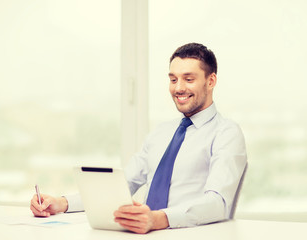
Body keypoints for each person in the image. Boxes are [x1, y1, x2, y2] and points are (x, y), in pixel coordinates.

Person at [30, 43, 247, 234]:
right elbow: (124, 184)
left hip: (183, 233)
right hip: (141, 232)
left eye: (188, 79)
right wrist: (61, 203)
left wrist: (159, 219)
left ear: (211, 81)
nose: (178, 88)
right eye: (173, 79)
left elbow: (218, 202)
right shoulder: (162, 132)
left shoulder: (226, 133)